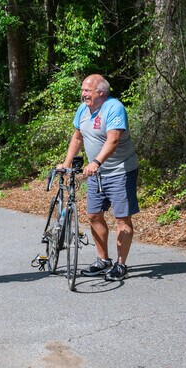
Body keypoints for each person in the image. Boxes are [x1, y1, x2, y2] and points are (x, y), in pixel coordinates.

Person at [58, 74, 139, 281]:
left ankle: (121, 265)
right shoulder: (83, 110)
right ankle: (103, 260)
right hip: (96, 174)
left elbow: (113, 140)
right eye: (83, 90)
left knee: (122, 219)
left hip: (120, 171)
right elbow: (77, 136)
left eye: (87, 90)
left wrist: (96, 162)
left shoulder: (114, 108)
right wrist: (67, 163)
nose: (83, 94)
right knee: (94, 215)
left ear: (101, 93)